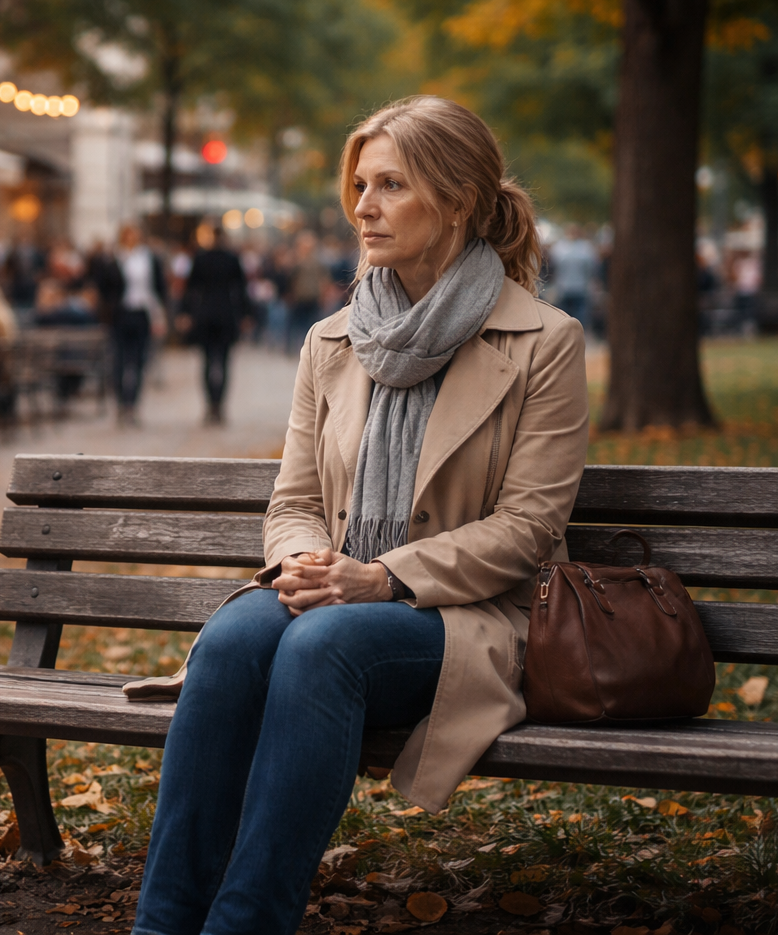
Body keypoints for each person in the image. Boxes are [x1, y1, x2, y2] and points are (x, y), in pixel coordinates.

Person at [132, 95, 588, 935]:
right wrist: (304, 560)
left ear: (455, 201)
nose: (363, 207)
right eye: (360, 185)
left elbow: (528, 530)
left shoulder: (542, 344)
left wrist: (382, 578)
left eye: (390, 186)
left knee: (323, 642)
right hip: (335, 595)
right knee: (233, 640)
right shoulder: (333, 342)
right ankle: (161, 925)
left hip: (466, 618)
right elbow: (297, 501)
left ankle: (244, 925)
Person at [98, 224, 167, 425]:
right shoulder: (114, 259)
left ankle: (132, 404)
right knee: (118, 361)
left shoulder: (148, 258)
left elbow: (158, 289)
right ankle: (120, 402)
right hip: (120, 314)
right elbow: (104, 287)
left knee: (138, 361)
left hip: (141, 313)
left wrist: (158, 315)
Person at [178, 234, 251, 424]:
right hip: (226, 315)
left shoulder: (201, 258)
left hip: (205, 315)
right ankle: (218, 405)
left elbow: (190, 288)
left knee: (208, 362)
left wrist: (186, 312)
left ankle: (211, 405)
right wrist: (245, 314)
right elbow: (241, 288)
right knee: (223, 363)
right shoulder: (231, 258)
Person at [546, 223, 598, 332]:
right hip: (564, 288)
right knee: (564, 319)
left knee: (579, 320)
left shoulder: (585, 247)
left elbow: (591, 269)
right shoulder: (561, 247)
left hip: (580, 289)